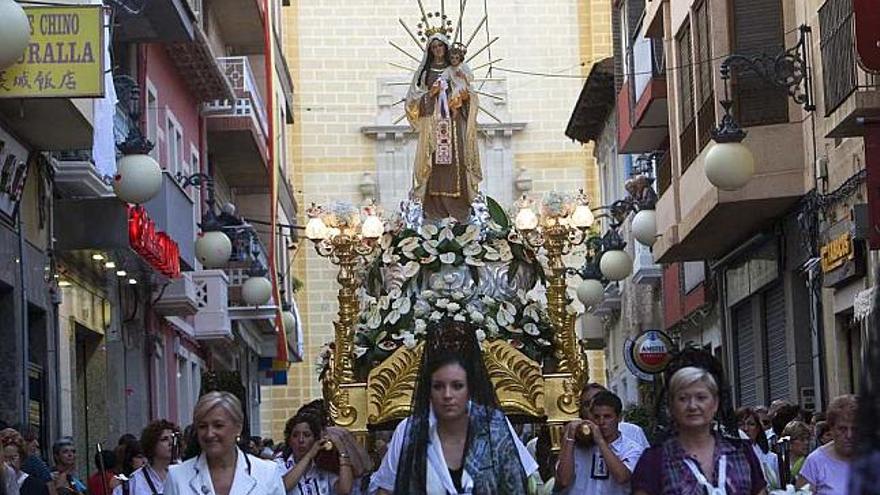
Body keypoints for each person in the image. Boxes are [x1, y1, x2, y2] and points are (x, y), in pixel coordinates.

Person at [369, 320, 538, 494]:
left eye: (457, 386)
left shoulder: (494, 425)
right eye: (439, 386)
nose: (447, 395)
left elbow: (522, 479)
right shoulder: (408, 430)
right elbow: (385, 489)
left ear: (469, 387)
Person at [631, 366, 767, 495]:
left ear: (715, 403)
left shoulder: (742, 452)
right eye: (683, 398)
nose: (692, 406)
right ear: (671, 406)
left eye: (701, 397)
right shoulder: (654, 460)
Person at [405, 30, 481, 222]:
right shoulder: (424, 73)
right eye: (434, 47)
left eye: (441, 46)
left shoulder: (457, 69)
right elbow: (412, 102)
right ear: (430, 50)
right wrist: (431, 92)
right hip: (433, 125)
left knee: (459, 160)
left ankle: (461, 210)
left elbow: (470, 94)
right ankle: (433, 211)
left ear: (446, 48)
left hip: (454, 124)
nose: (438, 50)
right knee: (433, 164)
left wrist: (464, 98)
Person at [163, 392, 284, 495]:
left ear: (238, 428)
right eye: (202, 426)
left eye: (218, 425)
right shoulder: (177, 476)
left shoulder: (267, 473)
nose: (209, 433)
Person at [555, 390, 644, 494]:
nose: (601, 422)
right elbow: (564, 481)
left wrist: (600, 441)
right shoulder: (578, 445)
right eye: (596, 417)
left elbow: (622, 477)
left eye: (607, 417)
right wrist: (570, 438)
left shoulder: (632, 449)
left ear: (619, 418)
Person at [277, 407, 353, 495]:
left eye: (306, 435)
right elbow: (283, 486)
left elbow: (345, 491)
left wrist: (342, 450)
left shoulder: (322, 467)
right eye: (295, 435)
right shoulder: (279, 466)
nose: (301, 440)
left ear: (315, 439)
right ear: (289, 440)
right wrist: (309, 455)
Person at [796, 394, 857, 494]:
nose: (849, 435)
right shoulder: (815, 462)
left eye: (855, 429)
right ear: (832, 429)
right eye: (842, 429)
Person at [113, 420, 180, 495]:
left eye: (174, 438)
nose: (171, 443)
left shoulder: (186, 474)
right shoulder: (134, 483)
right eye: (164, 439)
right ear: (152, 444)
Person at [580, 383, 649, 449]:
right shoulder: (576, 437)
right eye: (587, 404)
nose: (594, 408)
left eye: (601, 401)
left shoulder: (633, 431)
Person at [736, 407, 779, 488]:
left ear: (758, 428)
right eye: (740, 424)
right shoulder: (727, 457)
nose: (745, 429)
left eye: (751, 424)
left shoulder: (772, 459)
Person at [440, 42, 473, 120]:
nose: (454, 60)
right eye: (452, 58)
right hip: (455, 88)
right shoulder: (449, 69)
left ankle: (456, 111)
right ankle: (453, 110)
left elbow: (471, 77)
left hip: (464, 87)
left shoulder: (463, 66)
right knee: (449, 99)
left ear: (460, 58)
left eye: (456, 58)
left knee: (456, 94)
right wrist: (440, 82)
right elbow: (443, 77)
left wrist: (463, 75)